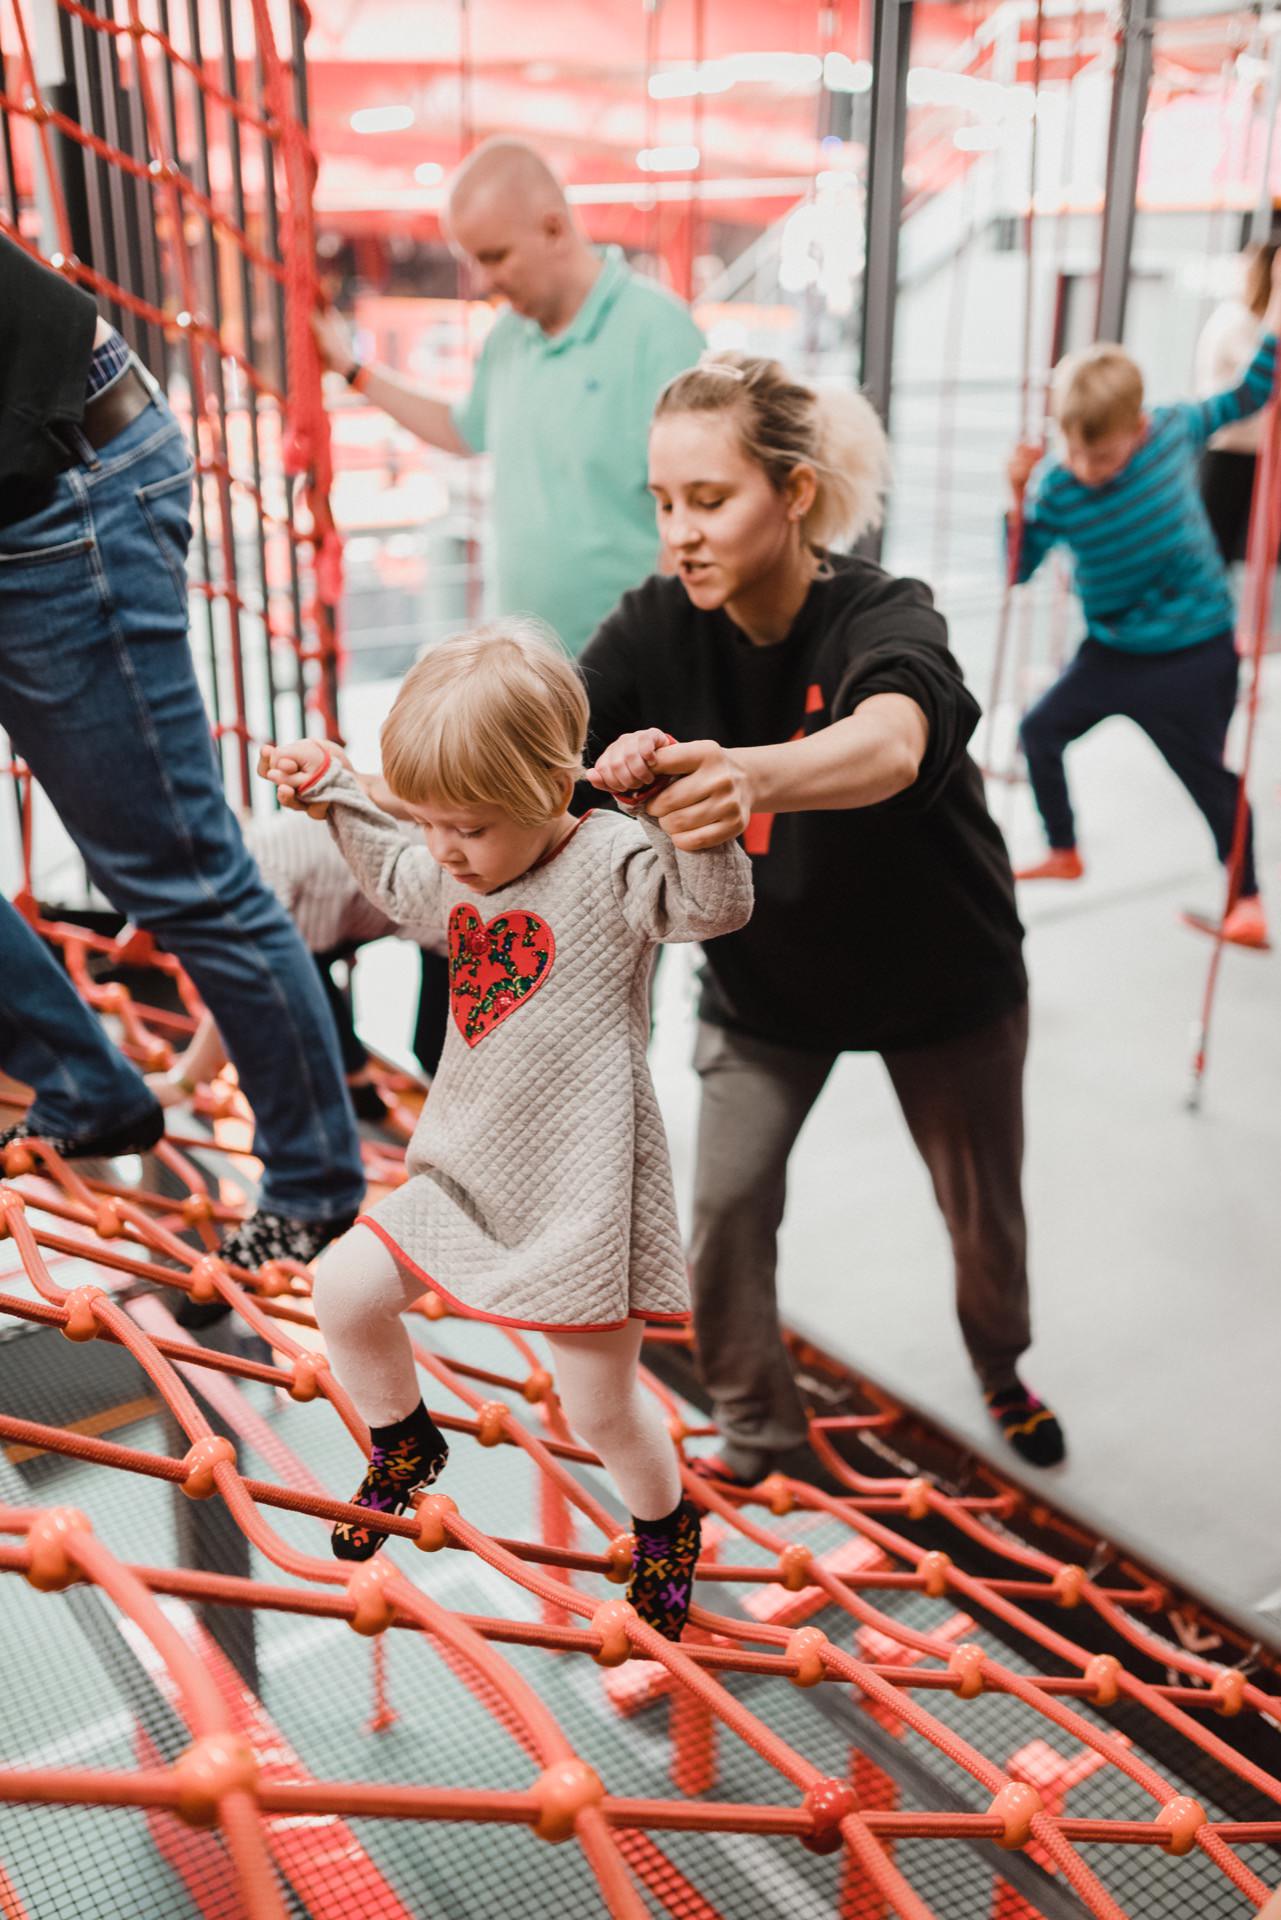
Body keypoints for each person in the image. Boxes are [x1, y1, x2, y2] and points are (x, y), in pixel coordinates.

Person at [580, 352, 1064, 1482]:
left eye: (709, 499)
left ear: (793, 497)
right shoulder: (655, 626)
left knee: (983, 1220)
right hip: (769, 985)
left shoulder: (881, 611)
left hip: (945, 977)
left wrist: (752, 775)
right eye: (663, 503)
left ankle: (1003, 1367)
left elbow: (894, 741)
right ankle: (757, 1428)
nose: (680, 532)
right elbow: (547, 745)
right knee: (726, 1215)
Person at [261, 620, 753, 1641]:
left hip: (582, 1192)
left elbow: (708, 910)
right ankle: (406, 1441)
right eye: (431, 821)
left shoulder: (612, 859)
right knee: (342, 1288)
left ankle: (665, 1527)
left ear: (545, 791)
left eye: (470, 827)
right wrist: (336, 788)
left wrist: (689, 813)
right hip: (460, 1173)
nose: (446, 849)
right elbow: (398, 877)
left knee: (599, 1412)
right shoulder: (453, 869)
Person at [0, 234, 364, 1268]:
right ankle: (83, 1081)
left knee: (176, 871)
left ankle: (318, 1180)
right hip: (27, 474)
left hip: (63, 491)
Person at [311, 137, 705, 656]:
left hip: (636, 670)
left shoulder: (663, 334)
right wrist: (351, 369)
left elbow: (700, 513)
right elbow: (462, 428)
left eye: (494, 257)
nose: (482, 280)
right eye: (472, 260)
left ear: (553, 229)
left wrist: (659, 657)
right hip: (527, 672)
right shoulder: (507, 336)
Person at [1007, 261, 1281, 952]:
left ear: (1135, 425)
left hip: (1195, 648)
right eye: (1071, 448)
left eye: (1098, 455)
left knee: (1207, 779)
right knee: (1038, 731)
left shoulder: (1172, 428)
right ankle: (1064, 848)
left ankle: (1244, 898)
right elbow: (1017, 569)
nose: (1083, 465)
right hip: (1111, 651)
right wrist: (1014, 499)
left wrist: (1274, 316)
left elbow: (1250, 391)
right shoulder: (1054, 484)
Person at [147, 810, 446, 1121]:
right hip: (398, 887)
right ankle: (360, 1086)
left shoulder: (260, 876)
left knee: (433, 1051)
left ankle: (366, 1092)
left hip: (443, 907)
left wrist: (183, 1082)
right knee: (300, 967)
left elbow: (239, 988)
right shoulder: (254, 848)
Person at [1195, 239, 1278, 564]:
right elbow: (1262, 383)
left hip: (1252, 453)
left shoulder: (1253, 323)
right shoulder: (1236, 321)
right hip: (1227, 453)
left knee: (1237, 551)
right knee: (1214, 550)